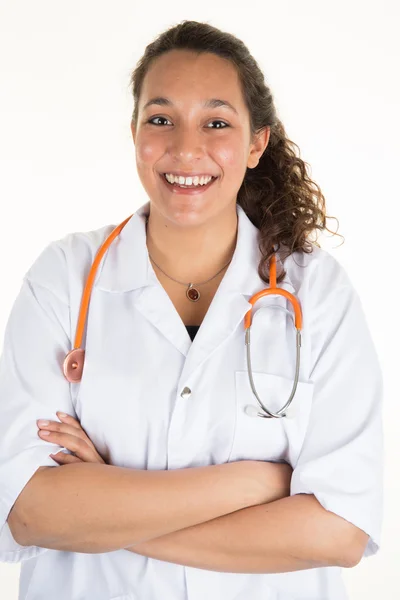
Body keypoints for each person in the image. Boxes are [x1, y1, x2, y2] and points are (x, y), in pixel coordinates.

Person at [0, 19, 383, 600]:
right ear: (134, 132)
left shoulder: (318, 294)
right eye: (160, 120)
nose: (184, 148)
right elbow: (27, 512)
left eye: (216, 123)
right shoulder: (63, 279)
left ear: (257, 144)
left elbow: (339, 532)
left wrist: (101, 505)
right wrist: (258, 483)